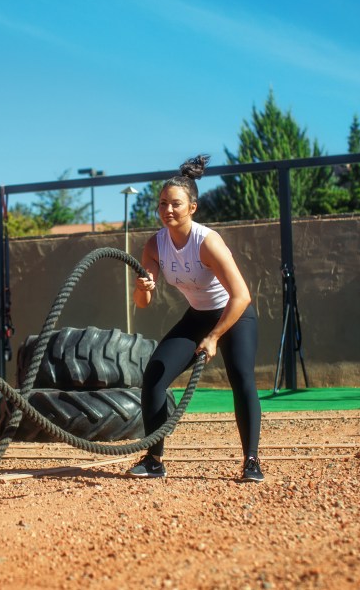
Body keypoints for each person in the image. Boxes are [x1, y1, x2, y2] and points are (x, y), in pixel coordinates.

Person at [127, 155, 264, 482]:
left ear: (192, 208)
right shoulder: (154, 245)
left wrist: (215, 336)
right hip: (198, 316)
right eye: (162, 204)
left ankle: (251, 461)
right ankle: (154, 460)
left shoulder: (207, 242)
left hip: (235, 315)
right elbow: (142, 303)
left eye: (175, 204)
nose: (167, 210)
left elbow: (241, 296)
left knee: (241, 377)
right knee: (155, 376)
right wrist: (142, 285)